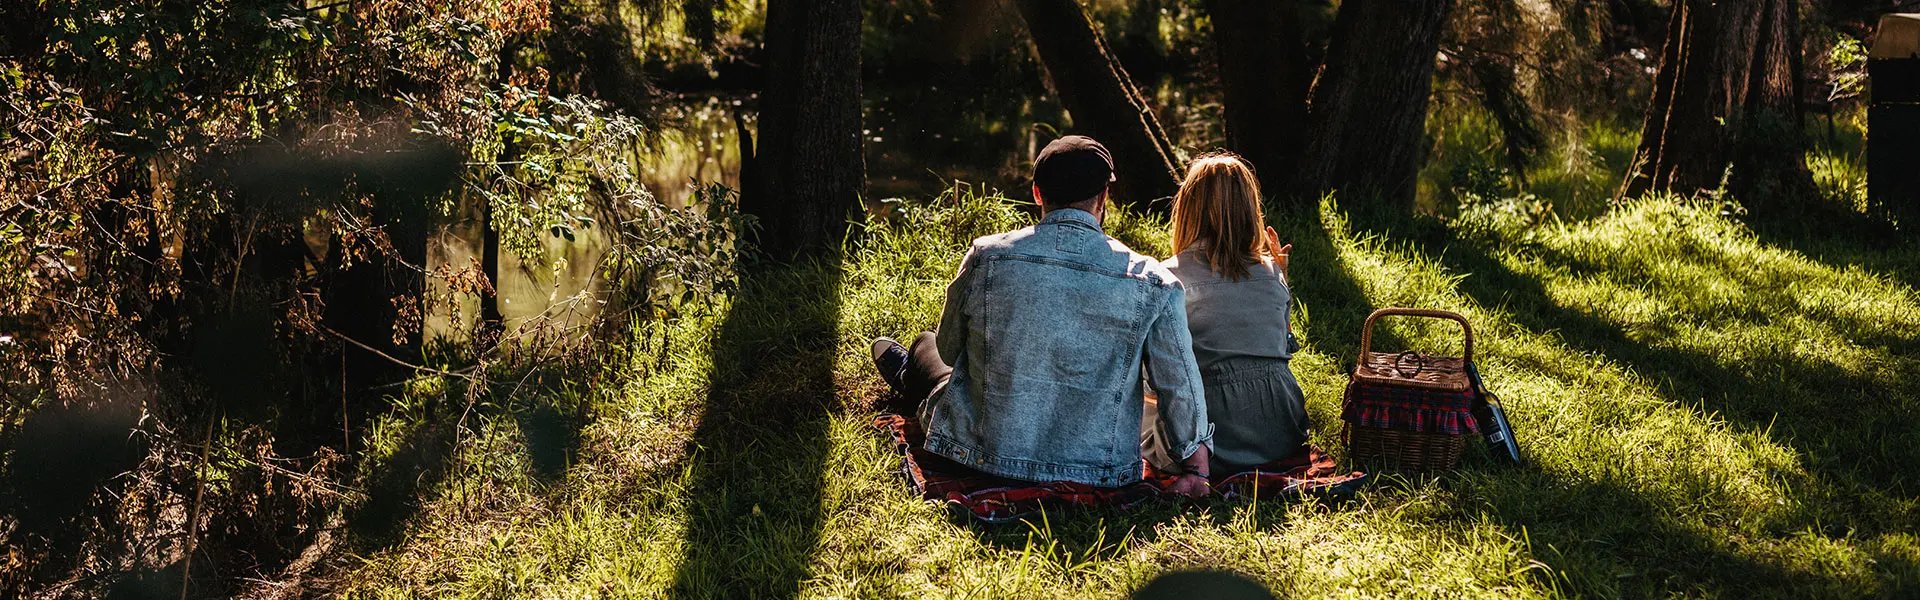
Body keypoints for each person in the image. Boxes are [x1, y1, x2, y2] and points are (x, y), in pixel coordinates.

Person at [870, 135, 1214, 497]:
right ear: (1103, 199)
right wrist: (1196, 470)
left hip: (981, 454)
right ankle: (910, 375)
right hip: (1097, 469)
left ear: (1037, 193)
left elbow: (950, 351)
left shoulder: (986, 256)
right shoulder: (1156, 283)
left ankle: (909, 375)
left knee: (927, 345)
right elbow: (1179, 385)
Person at [1142, 153, 1310, 477]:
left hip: (1213, 439)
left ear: (1187, 208)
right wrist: (1281, 275)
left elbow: (1157, 376)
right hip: (1282, 431)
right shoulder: (1271, 271)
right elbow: (1282, 348)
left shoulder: (1167, 278)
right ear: (1250, 209)